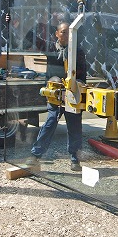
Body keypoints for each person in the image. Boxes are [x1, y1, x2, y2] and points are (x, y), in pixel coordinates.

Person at [28, 21, 87, 172]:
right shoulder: (50, 48)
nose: (67, 35)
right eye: (63, 32)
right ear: (57, 34)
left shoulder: (78, 52)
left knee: (74, 125)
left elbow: (82, 75)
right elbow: (30, 38)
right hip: (55, 93)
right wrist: (13, 23)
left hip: (71, 94)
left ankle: (75, 159)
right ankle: (35, 156)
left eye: (70, 32)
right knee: (50, 121)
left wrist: (76, 88)